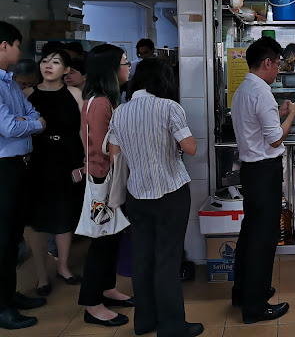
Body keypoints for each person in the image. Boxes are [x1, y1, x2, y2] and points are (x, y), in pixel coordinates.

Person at [109, 59, 203, 337]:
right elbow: (191, 147)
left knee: (143, 258)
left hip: (136, 194)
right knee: (168, 259)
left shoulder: (120, 112)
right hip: (170, 192)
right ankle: (173, 326)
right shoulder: (169, 107)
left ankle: (145, 321)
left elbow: (115, 154)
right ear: (163, 80)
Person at [230, 37, 295, 324]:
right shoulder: (261, 91)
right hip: (264, 171)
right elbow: (275, 139)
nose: (278, 70)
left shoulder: (245, 88)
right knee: (263, 240)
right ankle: (256, 306)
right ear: (267, 63)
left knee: (250, 235)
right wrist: (293, 115)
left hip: (252, 171)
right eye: (277, 64)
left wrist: (280, 112)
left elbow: (259, 126)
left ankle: (244, 292)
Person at [78, 44, 133, 327]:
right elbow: (102, 149)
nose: (128, 67)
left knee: (112, 238)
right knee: (101, 242)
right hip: (102, 181)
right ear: (112, 69)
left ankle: (107, 288)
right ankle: (92, 303)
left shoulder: (103, 100)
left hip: (109, 179)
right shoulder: (99, 103)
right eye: (124, 63)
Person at [24, 49, 84, 296]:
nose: (48, 65)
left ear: (67, 70)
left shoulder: (75, 94)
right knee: (35, 220)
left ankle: (63, 266)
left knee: (64, 213)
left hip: (66, 159)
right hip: (36, 160)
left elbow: (83, 130)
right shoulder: (27, 94)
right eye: (45, 61)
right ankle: (41, 276)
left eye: (56, 62)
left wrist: (85, 159)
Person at [0, 21, 47, 330]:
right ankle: (2, 308)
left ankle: (9, 295)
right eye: (18, 45)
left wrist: (29, 119)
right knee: (3, 239)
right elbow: (10, 127)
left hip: (18, 166)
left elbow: (27, 113)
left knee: (13, 235)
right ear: (4, 45)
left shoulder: (9, 83)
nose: (21, 50)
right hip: (3, 168)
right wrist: (37, 124)